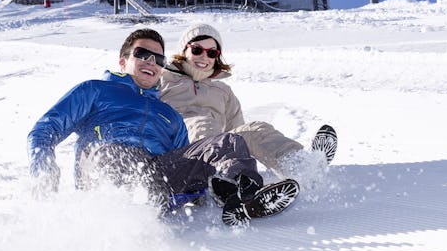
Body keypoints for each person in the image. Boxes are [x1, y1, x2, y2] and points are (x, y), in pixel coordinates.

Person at [26, 28, 298, 225]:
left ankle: (243, 197)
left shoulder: (168, 114)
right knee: (117, 154)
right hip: (105, 168)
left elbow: (188, 162)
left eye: (158, 59)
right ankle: (124, 215)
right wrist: (44, 170)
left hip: (156, 175)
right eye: (142, 54)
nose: (150, 62)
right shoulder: (95, 91)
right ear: (123, 61)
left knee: (227, 143)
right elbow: (44, 130)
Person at [159, 23, 337, 183]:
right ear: (184, 51)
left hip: (216, 151)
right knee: (202, 123)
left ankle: (301, 166)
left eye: (212, 52)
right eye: (197, 50)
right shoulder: (161, 79)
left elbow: (236, 137)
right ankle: (224, 184)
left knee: (253, 130)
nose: (204, 57)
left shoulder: (223, 91)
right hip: (179, 158)